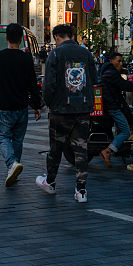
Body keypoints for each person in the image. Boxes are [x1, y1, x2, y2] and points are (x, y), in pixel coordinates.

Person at [36, 23, 97, 203]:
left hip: (61, 110)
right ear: (71, 35)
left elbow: (49, 85)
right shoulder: (86, 53)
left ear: (56, 37)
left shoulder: (55, 54)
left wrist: (48, 103)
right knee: (81, 149)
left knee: (56, 148)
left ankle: (50, 182)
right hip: (83, 108)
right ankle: (81, 190)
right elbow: (94, 79)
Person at [0, 23, 43, 187]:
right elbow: (33, 83)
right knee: (17, 140)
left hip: (4, 105)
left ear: (6, 37)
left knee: (2, 137)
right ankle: (14, 170)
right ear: (22, 39)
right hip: (22, 106)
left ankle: (12, 164)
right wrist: (37, 105)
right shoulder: (26, 58)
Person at [97, 51, 133, 167]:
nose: (121, 63)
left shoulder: (107, 70)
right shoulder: (112, 73)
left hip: (109, 103)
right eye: (118, 61)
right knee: (125, 131)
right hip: (112, 106)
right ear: (111, 61)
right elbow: (127, 86)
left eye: (121, 61)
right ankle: (108, 151)